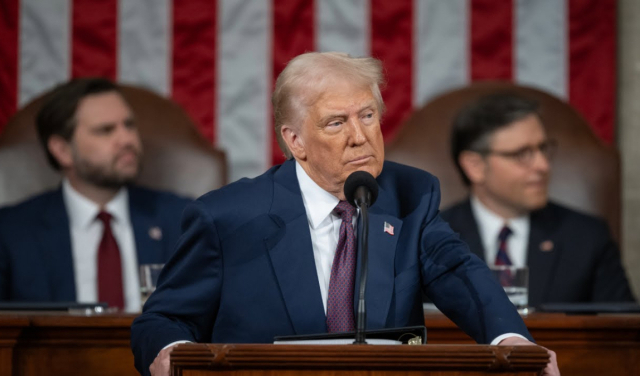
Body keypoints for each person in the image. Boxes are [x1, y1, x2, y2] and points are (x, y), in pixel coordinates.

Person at [131, 52, 559, 376]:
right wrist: (171, 351)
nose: (360, 137)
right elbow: (163, 318)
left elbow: (459, 272)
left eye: (368, 116)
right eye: (336, 123)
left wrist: (512, 342)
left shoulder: (410, 195)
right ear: (295, 140)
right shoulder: (226, 217)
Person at [0, 78, 191, 312]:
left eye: (129, 125)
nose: (127, 140)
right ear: (62, 150)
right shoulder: (12, 232)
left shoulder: (181, 219)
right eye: (106, 130)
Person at [442, 93, 635, 308]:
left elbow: (623, 334)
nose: (543, 165)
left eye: (543, 149)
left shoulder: (587, 238)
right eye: (523, 154)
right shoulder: (426, 240)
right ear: (475, 166)